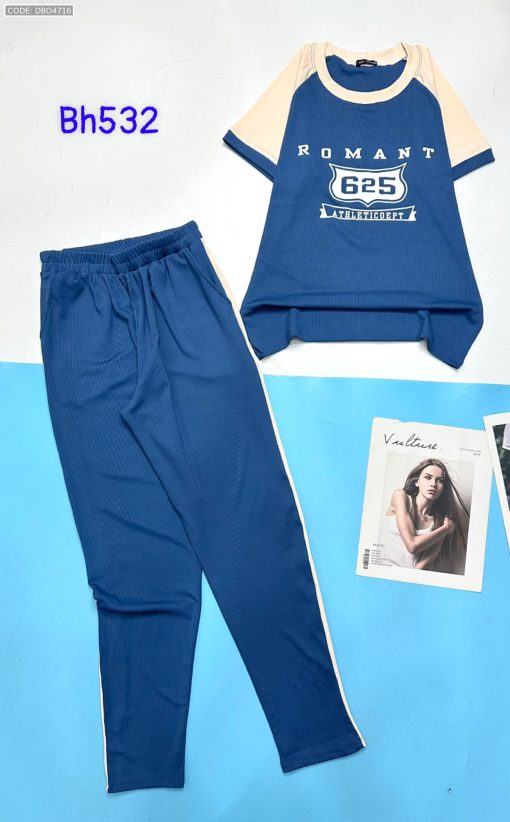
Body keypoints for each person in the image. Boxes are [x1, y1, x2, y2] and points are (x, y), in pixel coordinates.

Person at [381, 458, 469, 574]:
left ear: (443, 488)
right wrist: (445, 529)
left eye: (440, 481)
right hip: (384, 572)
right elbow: (412, 546)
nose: (433, 484)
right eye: (428, 477)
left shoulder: (440, 522)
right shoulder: (400, 497)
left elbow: (422, 565)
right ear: (416, 482)